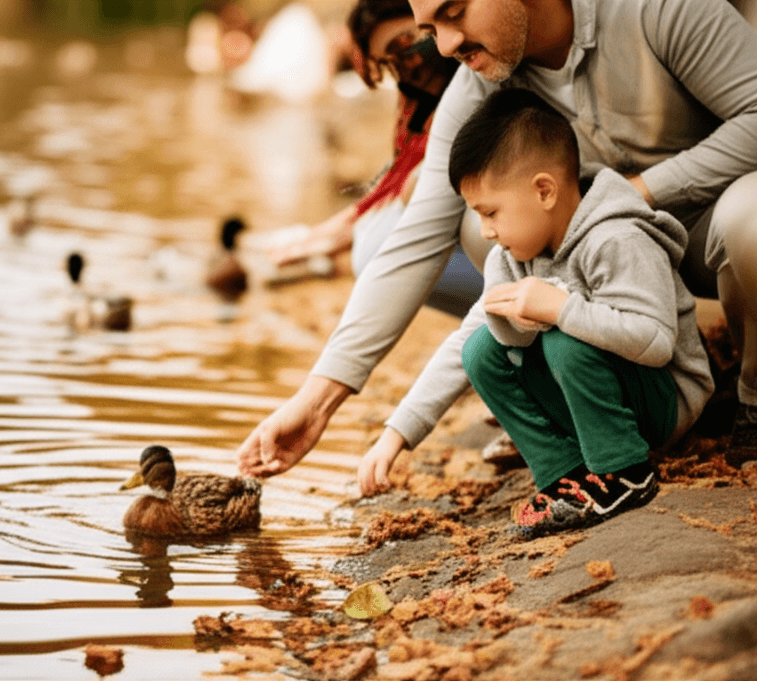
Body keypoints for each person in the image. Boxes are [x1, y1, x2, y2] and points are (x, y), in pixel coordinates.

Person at [237, 0, 757, 493]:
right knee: (479, 228)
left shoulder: (657, 9)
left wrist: (640, 191)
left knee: (750, 217)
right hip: (611, 271)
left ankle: (752, 401)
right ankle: (574, 414)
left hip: (715, 237)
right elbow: (417, 238)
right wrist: (318, 400)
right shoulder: (479, 79)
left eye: (455, 13)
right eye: (429, 29)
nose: (443, 47)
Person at [451, 89, 713, 536]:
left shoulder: (617, 238)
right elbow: (503, 345)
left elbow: (654, 342)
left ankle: (626, 470)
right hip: (591, 397)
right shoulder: (508, 256)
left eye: (490, 212)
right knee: (479, 351)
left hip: (661, 399)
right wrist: (509, 321)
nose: (484, 230)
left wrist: (561, 309)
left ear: (544, 191)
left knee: (564, 337)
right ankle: (564, 470)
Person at [267, 0, 458, 277]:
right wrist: (319, 236)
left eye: (405, 43)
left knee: (370, 247)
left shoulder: (469, 87)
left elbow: (407, 192)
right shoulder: (419, 105)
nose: (407, 66)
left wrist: (327, 241)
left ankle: (327, 264)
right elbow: (390, 184)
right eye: (389, 63)